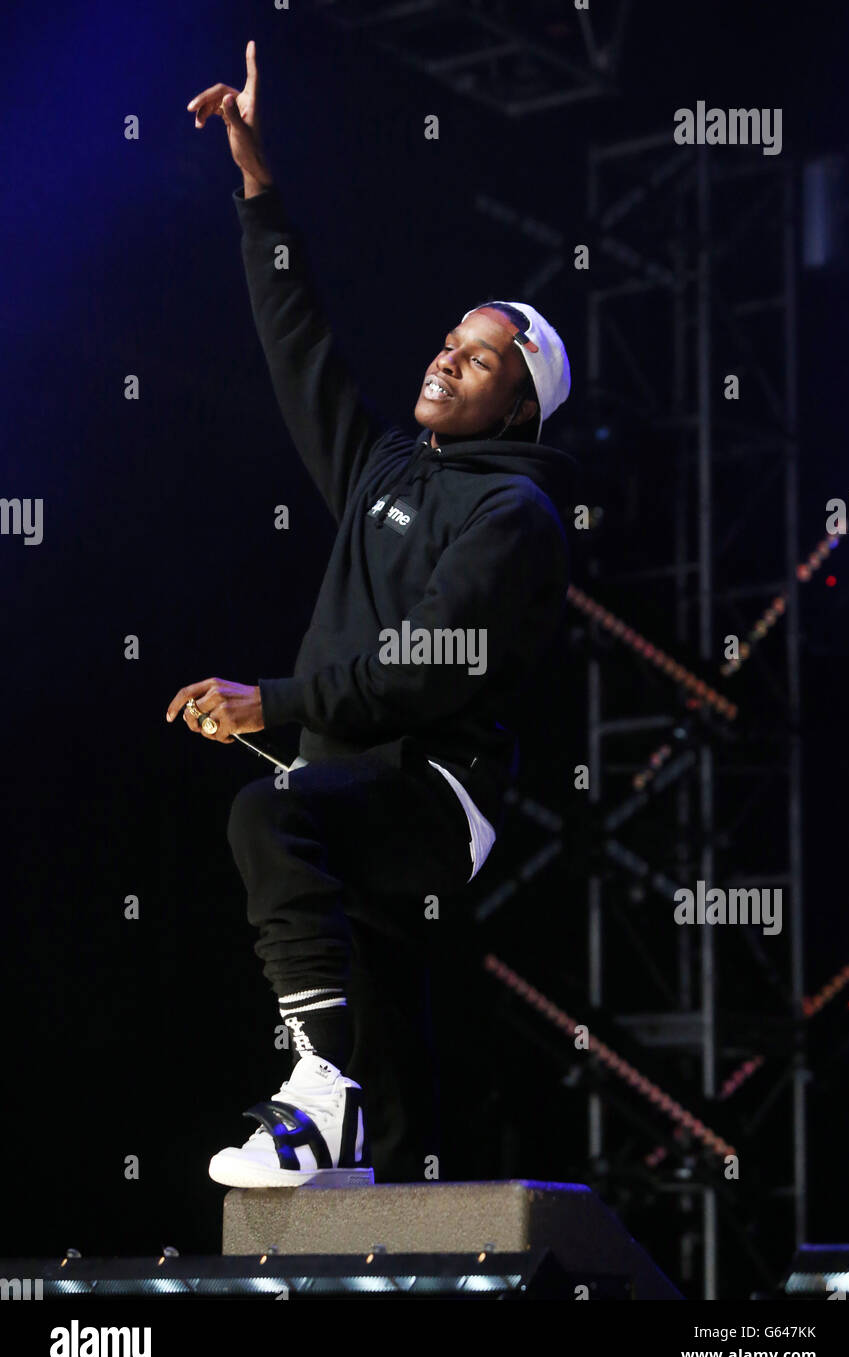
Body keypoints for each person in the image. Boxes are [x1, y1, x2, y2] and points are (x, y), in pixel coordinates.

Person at [166, 40, 576, 1188]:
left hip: (429, 793)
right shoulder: (388, 470)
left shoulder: (514, 513)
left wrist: (275, 702)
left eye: (481, 357)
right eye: (450, 339)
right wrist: (258, 184)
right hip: (353, 782)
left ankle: (312, 1100)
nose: (448, 357)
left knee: (267, 817)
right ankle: (365, 1166)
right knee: (400, 1071)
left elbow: (422, 670)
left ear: (519, 398)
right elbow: (301, 350)